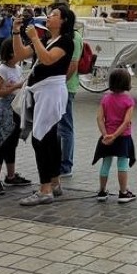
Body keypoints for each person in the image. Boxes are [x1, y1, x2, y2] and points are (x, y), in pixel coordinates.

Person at [12, 4, 76, 206]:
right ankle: (54, 182)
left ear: (63, 20)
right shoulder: (48, 40)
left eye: (54, 15)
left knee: (40, 139)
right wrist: (16, 31)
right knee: (49, 138)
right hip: (42, 92)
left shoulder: (66, 41)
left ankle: (45, 189)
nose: (49, 17)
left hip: (51, 92)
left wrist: (34, 38)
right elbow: (20, 55)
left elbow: (48, 60)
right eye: (49, 14)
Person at [0, 38, 31, 194]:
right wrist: (17, 86)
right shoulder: (2, 70)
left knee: (12, 145)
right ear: (11, 53)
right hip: (5, 112)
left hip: (16, 111)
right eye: (18, 49)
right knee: (2, 146)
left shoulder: (18, 68)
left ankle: (11, 176)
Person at [92, 68, 136, 203]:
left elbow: (99, 118)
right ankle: (123, 192)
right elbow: (126, 121)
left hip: (107, 137)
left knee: (106, 162)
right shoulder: (129, 101)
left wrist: (106, 135)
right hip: (123, 137)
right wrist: (116, 136)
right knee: (122, 164)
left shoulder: (105, 99)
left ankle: (102, 191)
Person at [58, 21, 83, 178]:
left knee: (65, 127)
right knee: (58, 127)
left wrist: (59, 83)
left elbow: (73, 64)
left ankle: (66, 165)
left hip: (66, 87)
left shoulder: (74, 37)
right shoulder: (62, 36)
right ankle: (59, 161)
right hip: (60, 87)